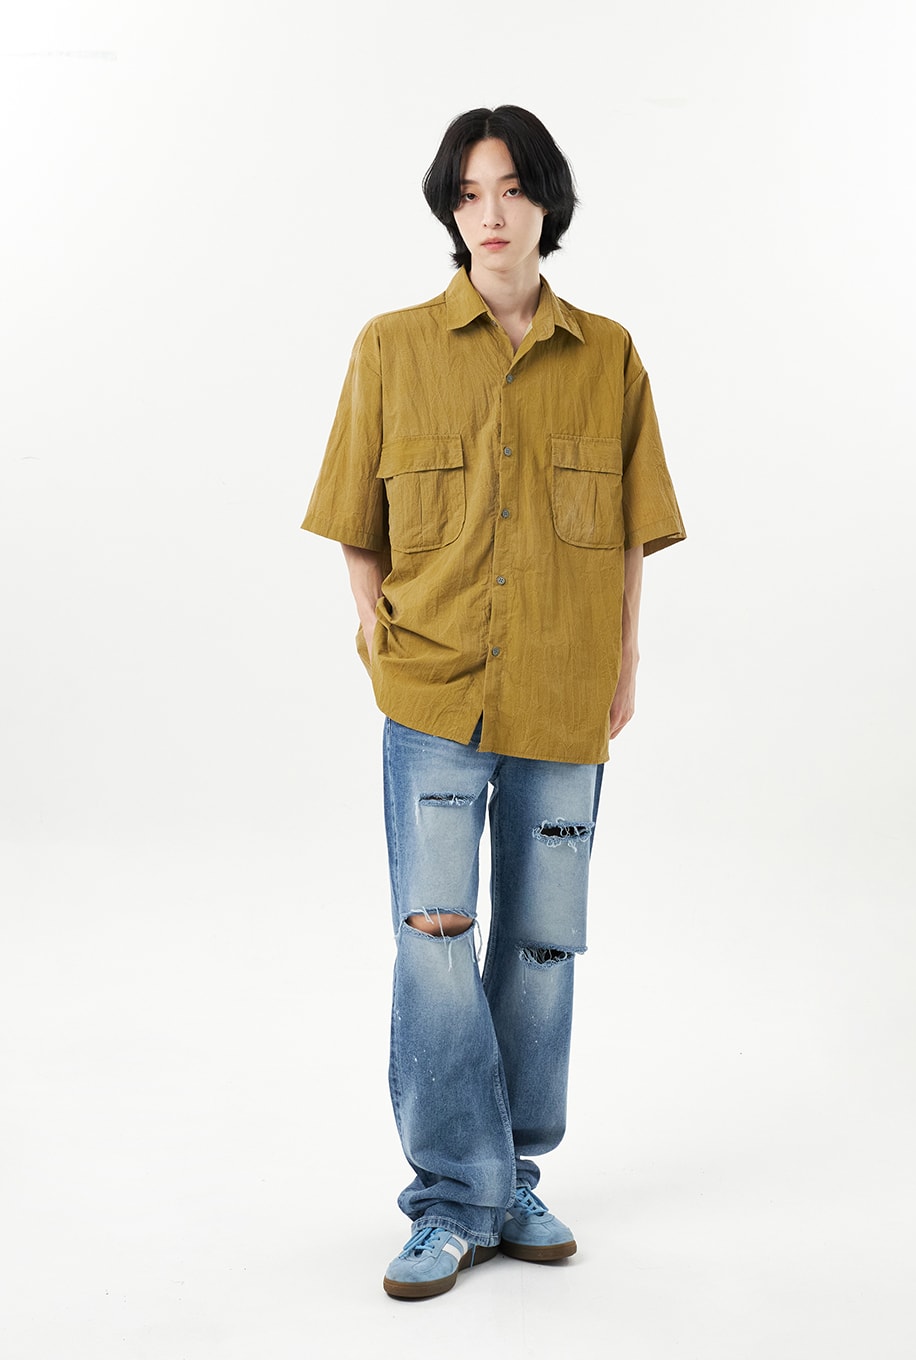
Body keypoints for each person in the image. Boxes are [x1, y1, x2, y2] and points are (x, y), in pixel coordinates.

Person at [302, 105, 685, 1300]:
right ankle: (449, 1193)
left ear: (545, 202)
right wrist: (376, 634)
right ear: (450, 211)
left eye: (511, 187)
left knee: (541, 945)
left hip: (564, 695)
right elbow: (355, 519)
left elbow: (629, 531)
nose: (491, 212)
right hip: (432, 694)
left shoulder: (608, 355)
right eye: (469, 193)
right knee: (434, 937)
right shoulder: (391, 346)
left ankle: (509, 1173)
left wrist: (625, 659)